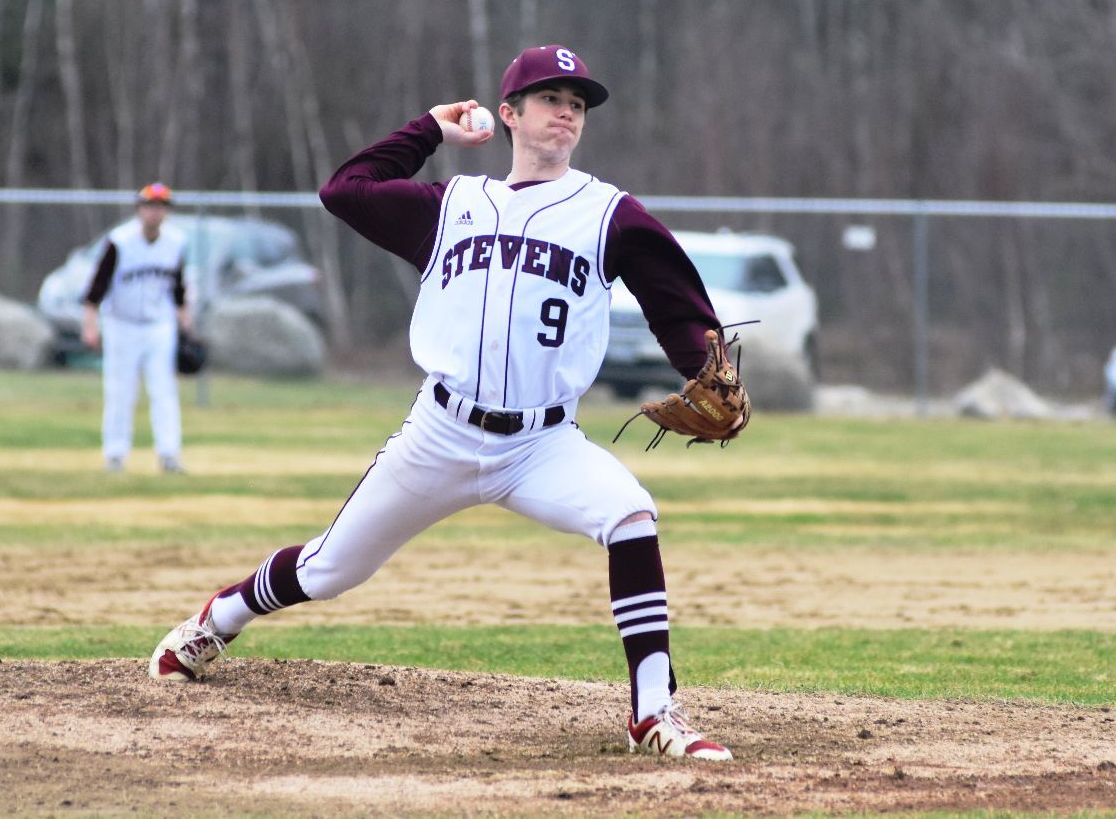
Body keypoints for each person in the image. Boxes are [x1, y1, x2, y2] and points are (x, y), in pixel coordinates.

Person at [150, 46, 733, 760]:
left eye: (577, 105)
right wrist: (428, 129)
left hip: (541, 445)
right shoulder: (453, 205)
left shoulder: (609, 213)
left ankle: (652, 712)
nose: (567, 114)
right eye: (551, 99)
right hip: (439, 434)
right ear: (510, 113)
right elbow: (346, 190)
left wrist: (706, 365)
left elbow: (676, 306)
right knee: (331, 569)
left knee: (630, 514)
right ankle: (222, 616)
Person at [82, 182, 191, 474]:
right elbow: (95, 288)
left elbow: (178, 288)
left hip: (159, 326)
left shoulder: (176, 242)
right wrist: (90, 325)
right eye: (150, 206)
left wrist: (185, 322)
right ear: (139, 209)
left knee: (164, 392)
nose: (155, 212)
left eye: (161, 207)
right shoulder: (120, 241)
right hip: (121, 324)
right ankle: (115, 456)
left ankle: (169, 455)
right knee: (120, 392)